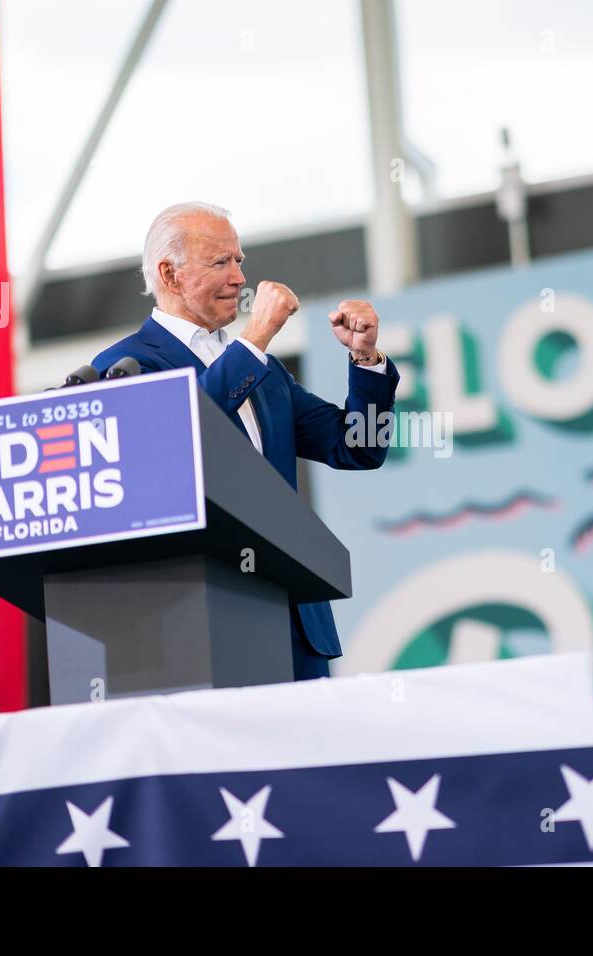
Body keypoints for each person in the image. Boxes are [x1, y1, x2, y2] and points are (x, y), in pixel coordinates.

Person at [91, 202, 400, 679]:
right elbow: (179, 441)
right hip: (204, 625)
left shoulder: (265, 369)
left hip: (295, 624)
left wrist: (366, 361)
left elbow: (359, 446)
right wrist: (256, 337)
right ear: (169, 275)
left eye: (240, 261)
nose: (240, 278)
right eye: (221, 263)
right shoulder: (126, 365)